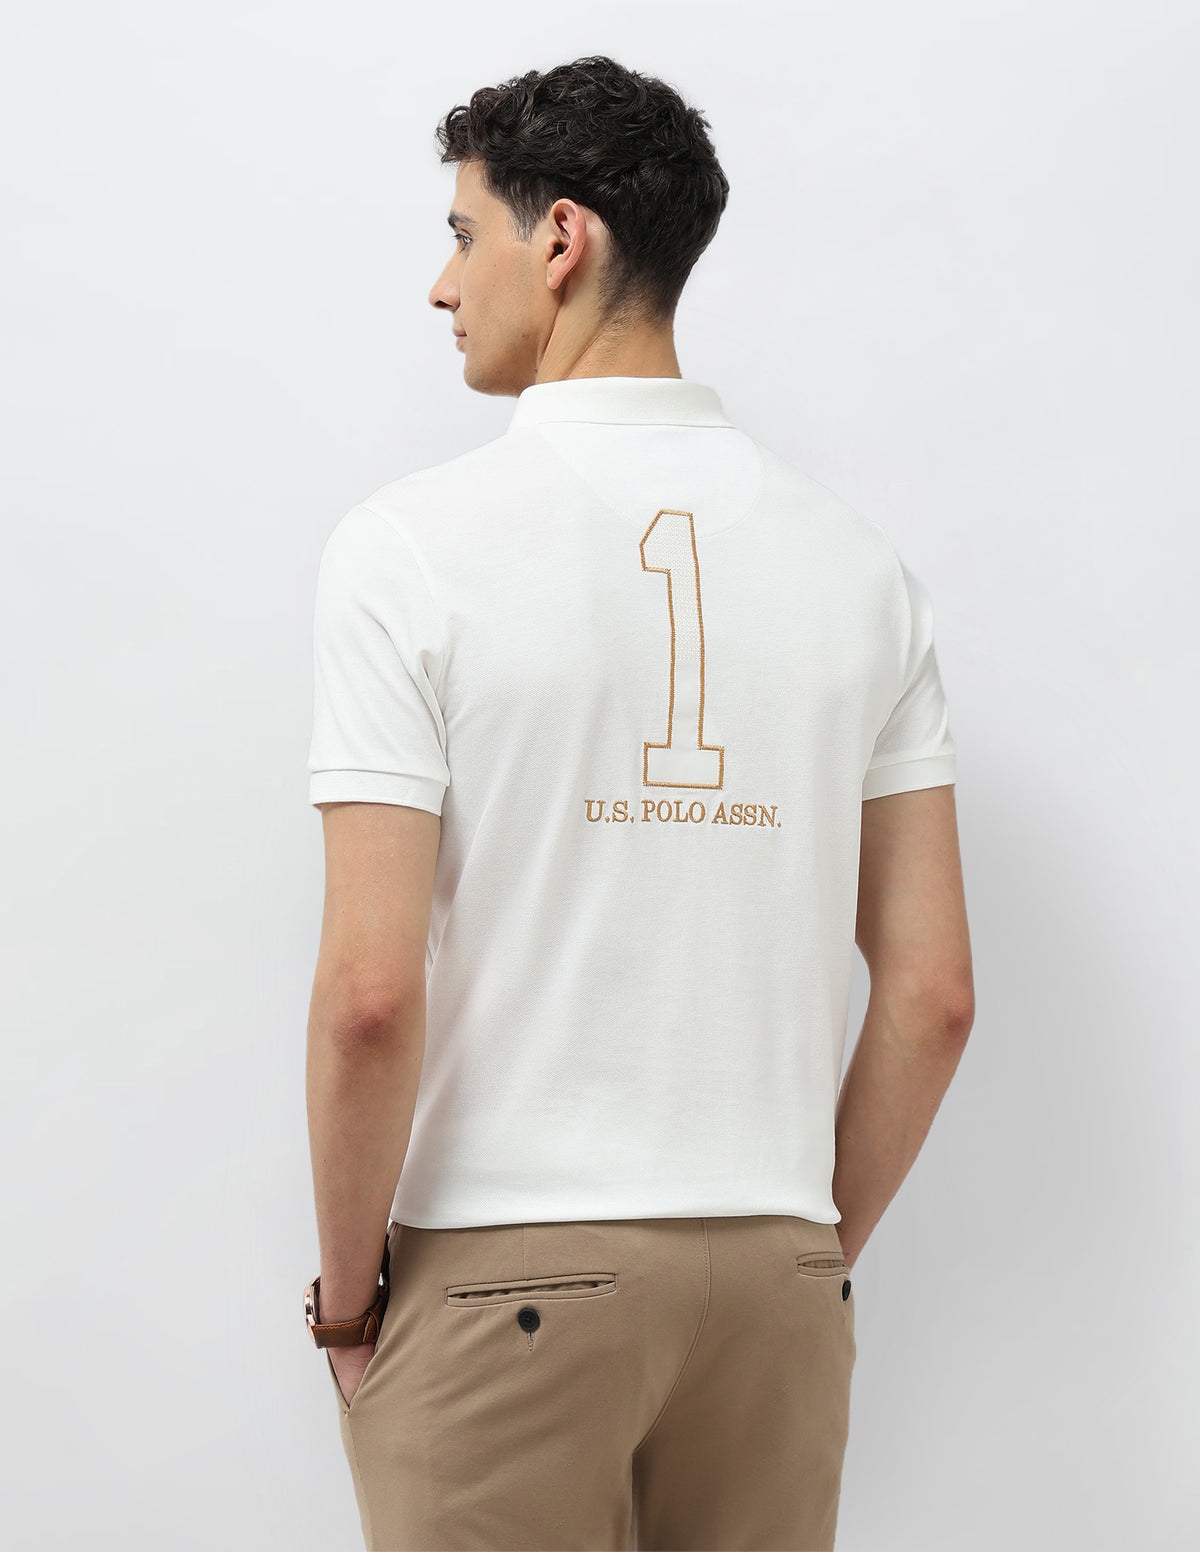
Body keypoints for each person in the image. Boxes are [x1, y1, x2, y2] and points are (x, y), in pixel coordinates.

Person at [303, 53, 974, 1552]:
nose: (440, 285)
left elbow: (368, 997)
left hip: (503, 1275)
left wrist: (347, 1305)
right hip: (780, 1275)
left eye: (463, 234)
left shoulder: (409, 550)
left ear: (562, 239)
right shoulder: (862, 569)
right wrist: (806, 1251)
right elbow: (933, 994)